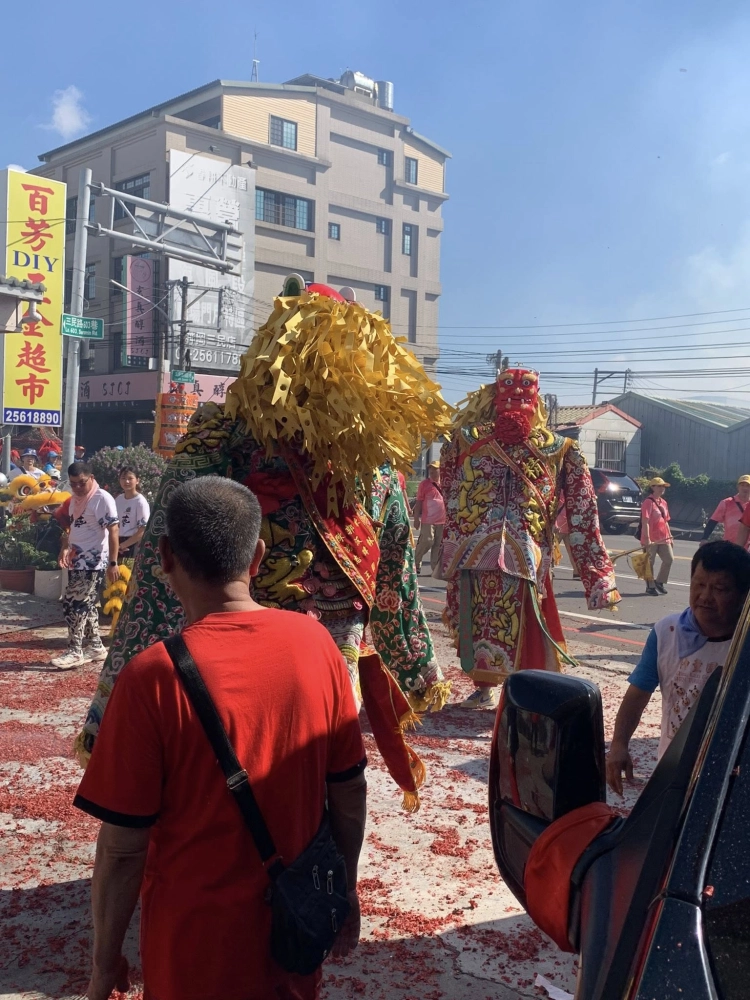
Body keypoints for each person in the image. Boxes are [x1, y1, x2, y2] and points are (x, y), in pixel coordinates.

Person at [76, 278, 454, 808]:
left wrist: (126, 683)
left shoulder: (220, 437)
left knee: (227, 754)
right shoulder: (376, 462)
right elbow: (394, 571)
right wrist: (414, 662)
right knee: (318, 766)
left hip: (233, 625)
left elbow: (162, 567)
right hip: (327, 647)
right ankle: (316, 868)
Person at [74, 477, 366, 1000]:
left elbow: (122, 849)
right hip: (293, 939)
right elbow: (348, 791)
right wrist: (344, 889)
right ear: (257, 557)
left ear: (163, 556)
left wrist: (102, 965)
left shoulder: (151, 677)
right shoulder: (317, 646)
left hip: (192, 958)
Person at [441, 369, 619, 709]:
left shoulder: (470, 440)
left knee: (504, 619)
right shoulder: (471, 440)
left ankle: (503, 689)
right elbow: (582, 515)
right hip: (497, 551)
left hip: (504, 551)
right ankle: (490, 687)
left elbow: (582, 512)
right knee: (481, 618)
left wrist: (598, 577)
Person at [606, 540, 750, 794]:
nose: (705, 597)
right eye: (699, 584)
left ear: (743, 595)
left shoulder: (744, 644)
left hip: (733, 776)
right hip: (674, 768)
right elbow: (638, 692)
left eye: (720, 589)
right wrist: (619, 744)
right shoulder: (666, 633)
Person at [52, 462, 120, 670]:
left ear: (91, 478)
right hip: (76, 559)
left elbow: (114, 530)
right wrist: (65, 546)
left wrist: (113, 563)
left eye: (82, 483)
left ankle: (75, 650)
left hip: (93, 562)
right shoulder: (75, 500)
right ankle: (96, 647)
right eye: (73, 484)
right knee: (87, 604)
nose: (78, 488)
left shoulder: (102, 499)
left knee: (73, 604)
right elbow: (72, 527)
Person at [640, 477, 673, 596]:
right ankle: (650, 586)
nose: (662, 488)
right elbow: (645, 522)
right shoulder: (648, 502)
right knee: (649, 563)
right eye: (659, 486)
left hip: (663, 537)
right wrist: (647, 539)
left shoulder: (663, 503)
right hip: (651, 539)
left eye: (663, 486)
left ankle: (659, 582)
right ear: (652, 487)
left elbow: (666, 521)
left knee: (669, 559)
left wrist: (669, 536)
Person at [413, 460, 446, 575]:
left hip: (442, 520)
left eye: (434, 469)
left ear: (440, 470)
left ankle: (435, 569)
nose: (431, 471)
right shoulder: (424, 484)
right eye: (430, 469)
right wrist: (416, 518)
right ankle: (416, 563)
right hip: (428, 520)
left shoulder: (446, 483)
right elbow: (418, 502)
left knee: (438, 544)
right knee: (427, 541)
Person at [701, 475, 750, 548]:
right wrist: (704, 538)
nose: (745, 488)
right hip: (730, 546)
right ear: (738, 487)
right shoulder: (727, 503)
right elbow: (713, 521)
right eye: (742, 485)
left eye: (748, 486)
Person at [114, 467, 150, 559]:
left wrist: (123, 545)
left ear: (137, 480)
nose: (126, 481)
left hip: (131, 544)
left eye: (130, 478)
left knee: (127, 572)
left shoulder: (140, 501)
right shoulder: (118, 499)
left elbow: (143, 530)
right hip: (117, 543)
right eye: (123, 478)